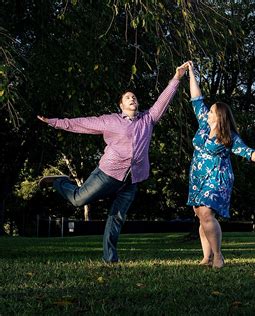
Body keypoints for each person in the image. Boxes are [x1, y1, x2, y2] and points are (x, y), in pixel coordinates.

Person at [37, 62, 189, 263]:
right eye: (127, 97)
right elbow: (82, 123)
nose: (132, 98)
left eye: (134, 96)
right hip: (107, 174)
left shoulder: (148, 119)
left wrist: (176, 77)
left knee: (116, 218)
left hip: (131, 180)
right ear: (121, 106)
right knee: (78, 200)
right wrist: (55, 122)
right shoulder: (110, 120)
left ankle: (110, 259)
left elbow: (163, 101)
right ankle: (60, 182)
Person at [186, 61, 255, 269]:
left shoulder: (229, 137)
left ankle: (218, 255)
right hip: (198, 176)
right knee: (201, 214)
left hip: (217, 178)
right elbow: (196, 98)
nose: (208, 112)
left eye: (211, 111)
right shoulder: (203, 125)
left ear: (220, 116)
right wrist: (191, 72)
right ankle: (206, 257)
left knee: (208, 214)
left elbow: (248, 152)